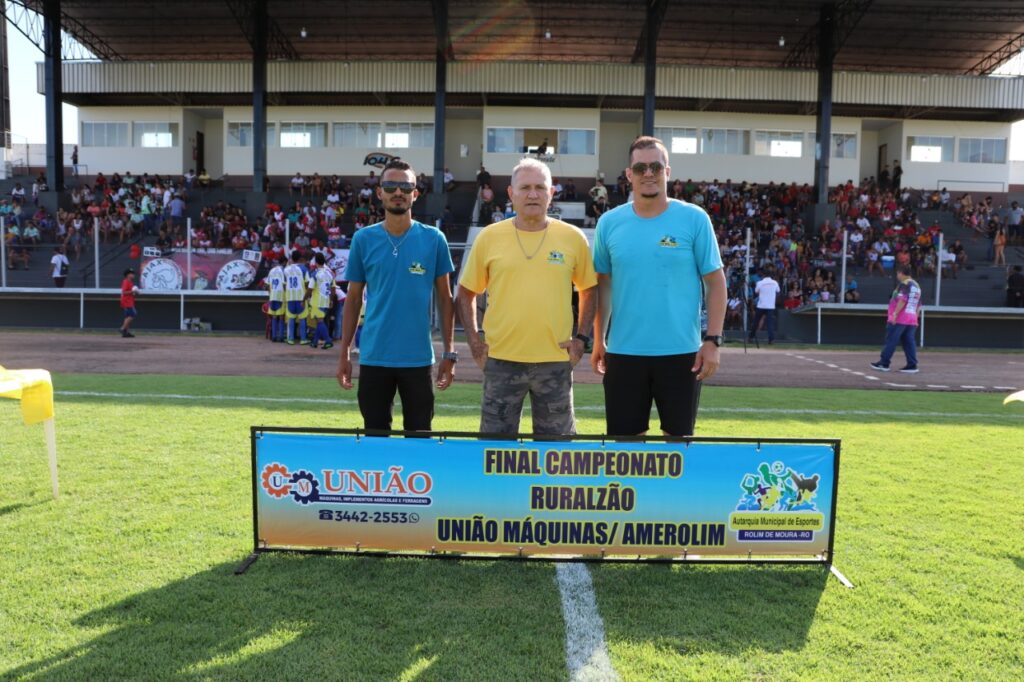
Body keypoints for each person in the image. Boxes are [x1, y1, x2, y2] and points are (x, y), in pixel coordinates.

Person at [591, 136, 726, 437]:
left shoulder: (694, 219)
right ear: (629, 174)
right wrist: (599, 340)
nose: (648, 173)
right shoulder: (609, 223)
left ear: (667, 171)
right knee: (625, 450)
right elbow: (603, 285)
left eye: (655, 166)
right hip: (624, 353)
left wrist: (713, 340)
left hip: (682, 354)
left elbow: (715, 283)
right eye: (640, 168)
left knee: (678, 448)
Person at [458, 157, 596, 436]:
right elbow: (466, 292)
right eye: (524, 188)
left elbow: (589, 290)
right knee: (495, 451)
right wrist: (474, 342)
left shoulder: (572, 238)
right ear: (511, 193)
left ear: (551, 193)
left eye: (540, 187)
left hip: (555, 362)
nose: (532, 194)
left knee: (556, 454)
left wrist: (581, 339)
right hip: (501, 361)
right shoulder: (489, 237)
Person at [337, 160, 456, 433]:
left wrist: (450, 352)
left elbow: (445, 298)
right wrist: (344, 352)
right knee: (375, 437)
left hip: (418, 359)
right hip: (373, 357)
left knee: (420, 437)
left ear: (416, 193)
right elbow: (353, 299)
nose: (398, 192)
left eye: (406, 186)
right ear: (379, 192)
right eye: (391, 186)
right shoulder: (363, 239)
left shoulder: (434, 239)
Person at [871, 264, 921, 373]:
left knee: (891, 340)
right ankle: (912, 365)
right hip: (911, 318)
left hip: (901, 318)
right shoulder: (916, 285)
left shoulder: (904, 284)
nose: (897, 275)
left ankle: (884, 363)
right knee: (909, 342)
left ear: (901, 273)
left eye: (898, 273)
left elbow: (903, 300)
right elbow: (919, 304)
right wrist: (916, 319)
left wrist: (895, 314)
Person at [307, 252, 335, 350]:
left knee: (319, 321)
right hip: (326, 301)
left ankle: (328, 340)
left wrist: (304, 298)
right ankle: (314, 342)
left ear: (316, 262)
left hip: (317, 301)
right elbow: (333, 288)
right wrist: (331, 300)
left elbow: (310, 289)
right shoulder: (329, 273)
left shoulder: (315, 274)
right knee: (320, 322)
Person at [284, 250, 310, 345]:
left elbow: (284, 284)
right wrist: (308, 296)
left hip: (290, 297)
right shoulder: (304, 269)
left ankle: (290, 339)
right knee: (302, 318)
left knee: (291, 318)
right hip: (301, 297)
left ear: (292, 258)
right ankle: (303, 339)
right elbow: (308, 283)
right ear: (300, 258)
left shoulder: (286, 269)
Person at [749, 267, 780, 345]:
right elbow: (778, 291)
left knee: (755, 322)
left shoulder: (760, 283)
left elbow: (756, 291)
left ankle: (751, 338)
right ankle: (771, 340)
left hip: (761, 305)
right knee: (770, 324)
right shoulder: (775, 283)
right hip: (770, 306)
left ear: (763, 275)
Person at [265, 255, 287, 342]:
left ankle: (274, 336)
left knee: (274, 316)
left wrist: (270, 293)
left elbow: (267, 284)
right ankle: (281, 337)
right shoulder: (284, 271)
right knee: (281, 317)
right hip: (280, 296)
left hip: (273, 295)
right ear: (284, 262)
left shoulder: (272, 270)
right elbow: (284, 284)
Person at [119, 268, 139, 338]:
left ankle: (125, 332)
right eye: (132, 273)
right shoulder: (126, 281)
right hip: (126, 301)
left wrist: (135, 292)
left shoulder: (130, 283)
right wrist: (133, 291)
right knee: (133, 314)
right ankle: (122, 328)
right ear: (128, 275)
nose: (133, 275)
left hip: (129, 301)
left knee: (127, 316)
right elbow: (124, 292)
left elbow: (130, 292)